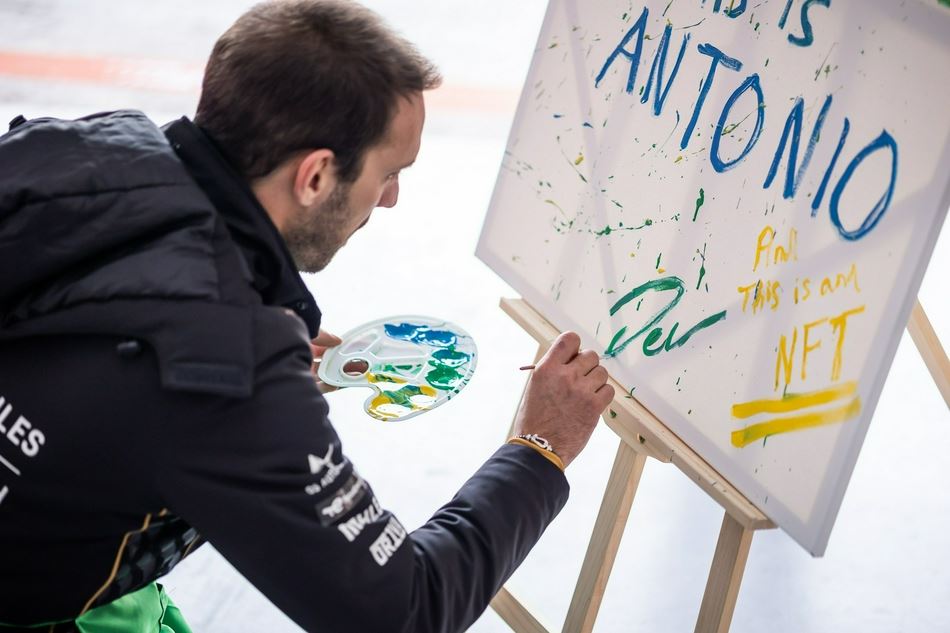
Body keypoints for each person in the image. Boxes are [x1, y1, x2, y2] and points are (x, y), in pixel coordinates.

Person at [0, 1, 614, 631]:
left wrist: (253, 330)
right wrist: (540, 449)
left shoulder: (66, 150)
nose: (392, 198)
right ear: (316, 176)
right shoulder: (228, 373)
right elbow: (408, 609)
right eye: (388, 173)